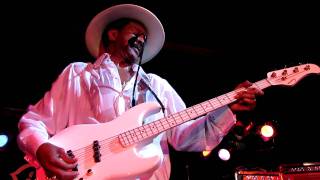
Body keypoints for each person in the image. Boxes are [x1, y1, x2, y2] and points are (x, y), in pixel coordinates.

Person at [17, 3, 264, 180]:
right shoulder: (78, 74)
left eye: (145, 37)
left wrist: (227, 106)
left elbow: (187, 137)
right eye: (136, 32)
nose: (142, 39)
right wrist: (41, 148)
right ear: (113, 34)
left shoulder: (158, 86)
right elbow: (34, 122)